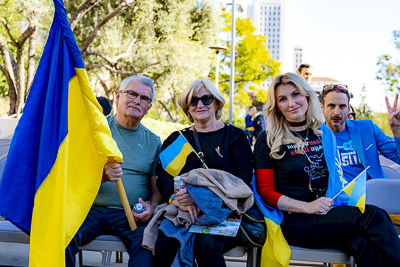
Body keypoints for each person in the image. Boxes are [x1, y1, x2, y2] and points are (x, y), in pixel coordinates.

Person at [253, 73, 400, 266]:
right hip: (292, 219)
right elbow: (265, 192)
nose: (291, 103)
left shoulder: (323, 133)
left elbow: (335, 180)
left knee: (365, 244)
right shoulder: (268, 139)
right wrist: (306, 206)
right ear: (277, 105)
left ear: (306, 97)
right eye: (282, 99)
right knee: (374, 215)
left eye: (296, 94)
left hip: (326, 215)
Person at [155, 79, 253, 267]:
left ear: (216, 103)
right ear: (188, 108)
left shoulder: (235, 136)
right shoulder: (178, 139)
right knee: (164, 243)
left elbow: (243, 180)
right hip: (184, 213)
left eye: (206, 99)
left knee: (205, 245)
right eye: (193, 100)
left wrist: (200, 198)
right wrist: (174, 198)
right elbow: (163, 173)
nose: (200, 104)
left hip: (226, 213)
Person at [66, 75, 162, 267]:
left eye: (144, 98)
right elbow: (72, 175)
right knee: (62, 237)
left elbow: (156, 188)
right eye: (132, 93)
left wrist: (152, 207)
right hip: (89, 209)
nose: (137, 101)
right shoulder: (96, 131)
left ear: (149, 107)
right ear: (118, 96)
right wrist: (101, 176)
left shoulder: (153, 142)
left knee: (146, 246)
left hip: (130, 214)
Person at [321, 84, 400, 180]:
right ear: (322, 108)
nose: (336, 112)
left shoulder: (368, 128)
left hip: (373, 191)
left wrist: (397, 133)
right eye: (331, 106)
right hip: (335, 194)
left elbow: (397, 156)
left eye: (342, 106)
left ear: (349, 108)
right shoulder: (314, 136)